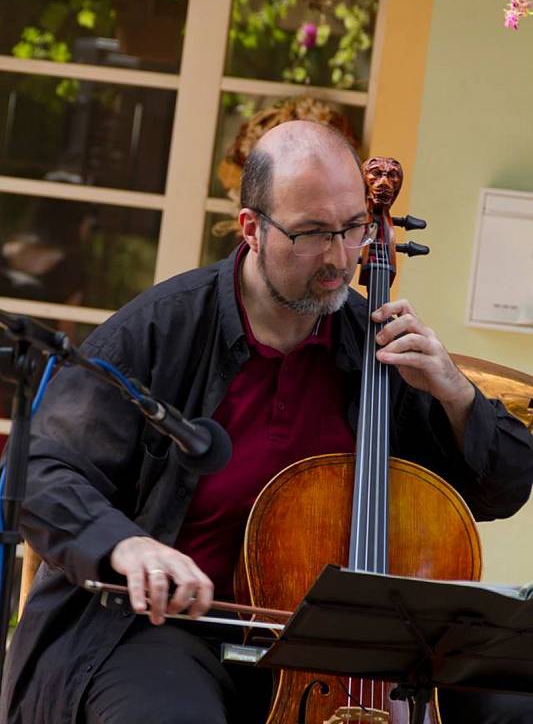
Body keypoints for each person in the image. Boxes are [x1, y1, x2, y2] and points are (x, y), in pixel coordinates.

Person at [2, 121, 533, 724]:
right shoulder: (161, 329)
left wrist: (457, 394)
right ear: (252, 228)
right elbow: (42, 470)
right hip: (164, 632)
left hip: (349, 648)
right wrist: (127, 545)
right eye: (311, 234)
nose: (339, 258)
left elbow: (503, 490)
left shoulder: (378, 349)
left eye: (354, 228)